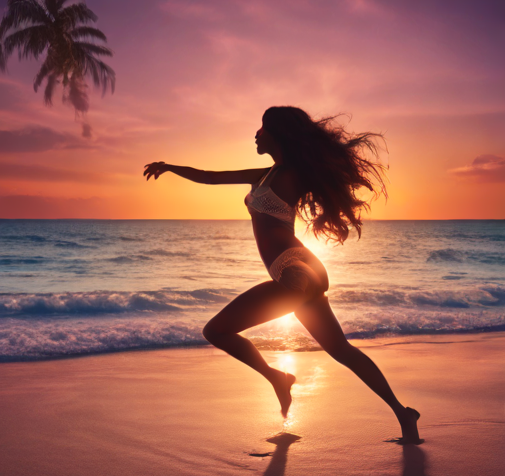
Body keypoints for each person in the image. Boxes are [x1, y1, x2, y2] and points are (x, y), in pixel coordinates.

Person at [144, 106, 421, 444]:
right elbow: (209, 176)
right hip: (299, 271)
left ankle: (277, 378)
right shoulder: (263, 175)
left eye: (262, 128)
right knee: (340, 349)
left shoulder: (294, 174)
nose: (256, 133)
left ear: (278, 134)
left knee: (215, 330)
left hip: (296, 270)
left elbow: (317, 175)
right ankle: (403, 412)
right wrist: (169, 167)